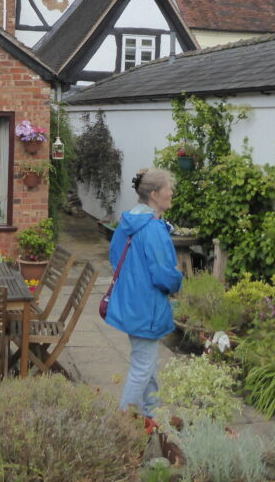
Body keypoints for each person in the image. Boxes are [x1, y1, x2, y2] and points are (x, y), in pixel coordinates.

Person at [105, 167, 184, 418]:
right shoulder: (152, 229)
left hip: (129, 304)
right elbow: (164, 275)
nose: (171, 193)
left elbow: (115, 256)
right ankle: (122, 425)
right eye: (168, 188)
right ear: (154, 194)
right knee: (142, 367)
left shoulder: (129, 221)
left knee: (147, 364)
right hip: (146, 309)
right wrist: (177, 280)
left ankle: (151, 416)